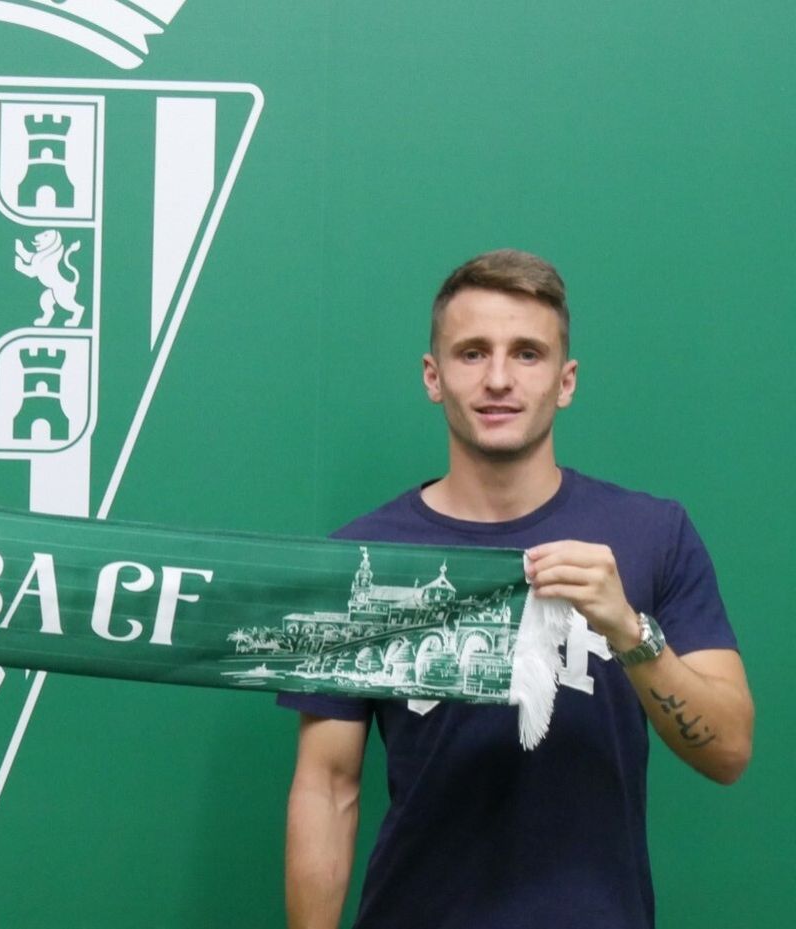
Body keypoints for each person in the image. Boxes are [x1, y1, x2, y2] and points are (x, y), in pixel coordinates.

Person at [278, 249, 754, 929]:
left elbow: (729, 750)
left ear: (565, 381)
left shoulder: (654, 533)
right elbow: (328, 787)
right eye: (472, 353)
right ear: (433, 376)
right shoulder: (363, 557)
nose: (498, 378)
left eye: (527, 354)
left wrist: (629, 630)